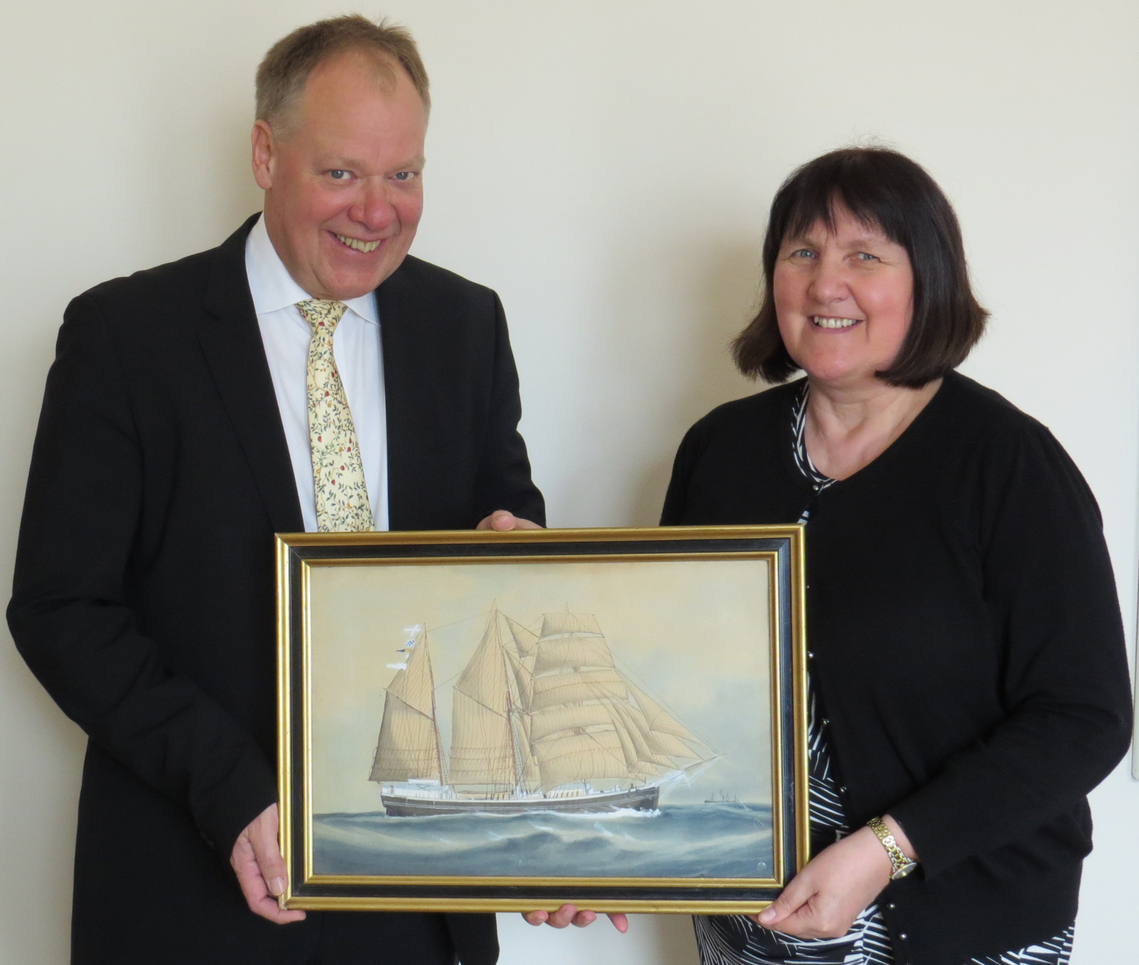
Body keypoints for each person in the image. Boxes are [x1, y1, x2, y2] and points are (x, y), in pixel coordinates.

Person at [7, 15, 545, 965]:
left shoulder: (465, 324)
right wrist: (232, 789)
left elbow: (503, 533)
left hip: (421, 903)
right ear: (265, 152)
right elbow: (62, 608)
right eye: (340, 172)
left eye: (404, 175)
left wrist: (515, 550)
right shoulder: (126, 336)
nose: (377, 212)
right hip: (194, 888)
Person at [660, 147, 1133, 965]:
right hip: (754, 923)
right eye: (800, 251)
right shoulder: (717, 451)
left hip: (966, 925)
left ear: (927, 279)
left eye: (864, 256)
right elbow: (666, 669)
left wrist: (885, 849)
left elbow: (1084, 719)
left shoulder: (1007, 464)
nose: (823, 283)